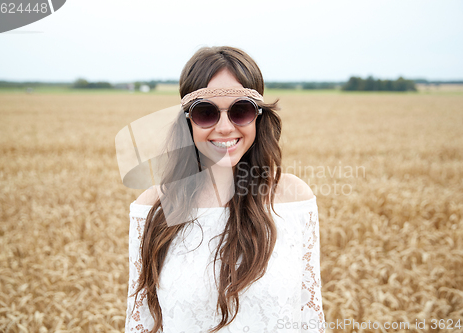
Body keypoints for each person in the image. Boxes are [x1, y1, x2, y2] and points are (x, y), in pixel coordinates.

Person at [125, 46, 325, 333]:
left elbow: (310, 316)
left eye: (240, 111)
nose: (224, 127)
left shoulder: (294, 199)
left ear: (258, 116)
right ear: (187, 121)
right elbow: (140, 322)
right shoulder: (152, 207)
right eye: (205, 113)